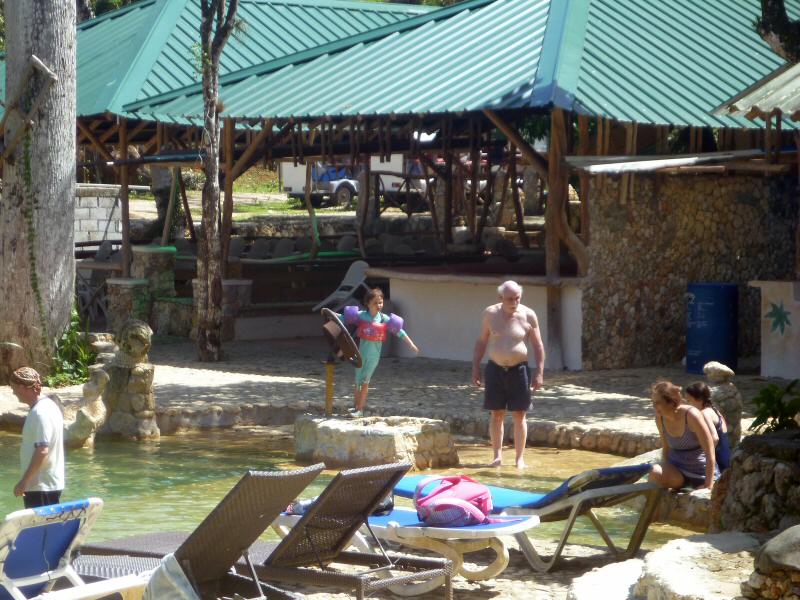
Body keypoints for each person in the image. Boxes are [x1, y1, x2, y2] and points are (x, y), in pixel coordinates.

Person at [472, 280, 545, 469]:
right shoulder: (490, 314)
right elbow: (481, 342)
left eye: (517, 298)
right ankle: (497, 456)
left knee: (520, 414)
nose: (514, 302)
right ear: (500, 298)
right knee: (496, 414)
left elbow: (537, 345)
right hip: (495, 368)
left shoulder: (528, 315)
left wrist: (539, 372)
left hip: (519, 369)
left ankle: (519, 458)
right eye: (510, 299)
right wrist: (475, 368)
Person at [344, 287, 419, 417]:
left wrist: (411, 344)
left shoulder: (384, 319)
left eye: (381, 302)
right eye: (375, 303)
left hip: (373, 356)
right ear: (367, 303)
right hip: (360, 354)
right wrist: (330, 314)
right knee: (357, 382)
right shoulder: (362, 316)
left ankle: (360, 410)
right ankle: (355, 407)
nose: (379, 305)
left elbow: (399, 332)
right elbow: (343, 317)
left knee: (365, 382)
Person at [10, 367, 65, 507]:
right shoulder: (49, 406)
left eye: (14, 388)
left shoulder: (40, 413)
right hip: (46, 484)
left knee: (42, 527)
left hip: (41, 486)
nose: (13, 392)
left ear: (23, 387)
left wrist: (24, 482)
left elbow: (42, 450)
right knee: (46, 527)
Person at [648, 381, 718, 490]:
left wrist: (709, 484)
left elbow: (710, 451)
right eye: (653, 402)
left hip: (700, 473)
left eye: (658, 403)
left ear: (671, 402)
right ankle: (649, 507)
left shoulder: (691, 415)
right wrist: (663, 475)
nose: (654, 406)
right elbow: (666, 449)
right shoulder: (659, 419)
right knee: (655, 471)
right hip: (677, 472)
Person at [684, 381, 731, 471]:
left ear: (700, 399)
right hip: (726, 458)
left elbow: (715, 438)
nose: (688, 405)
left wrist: (705, 457)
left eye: (689, 401)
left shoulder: (704, 413)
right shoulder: (714, 410)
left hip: (718, 462)